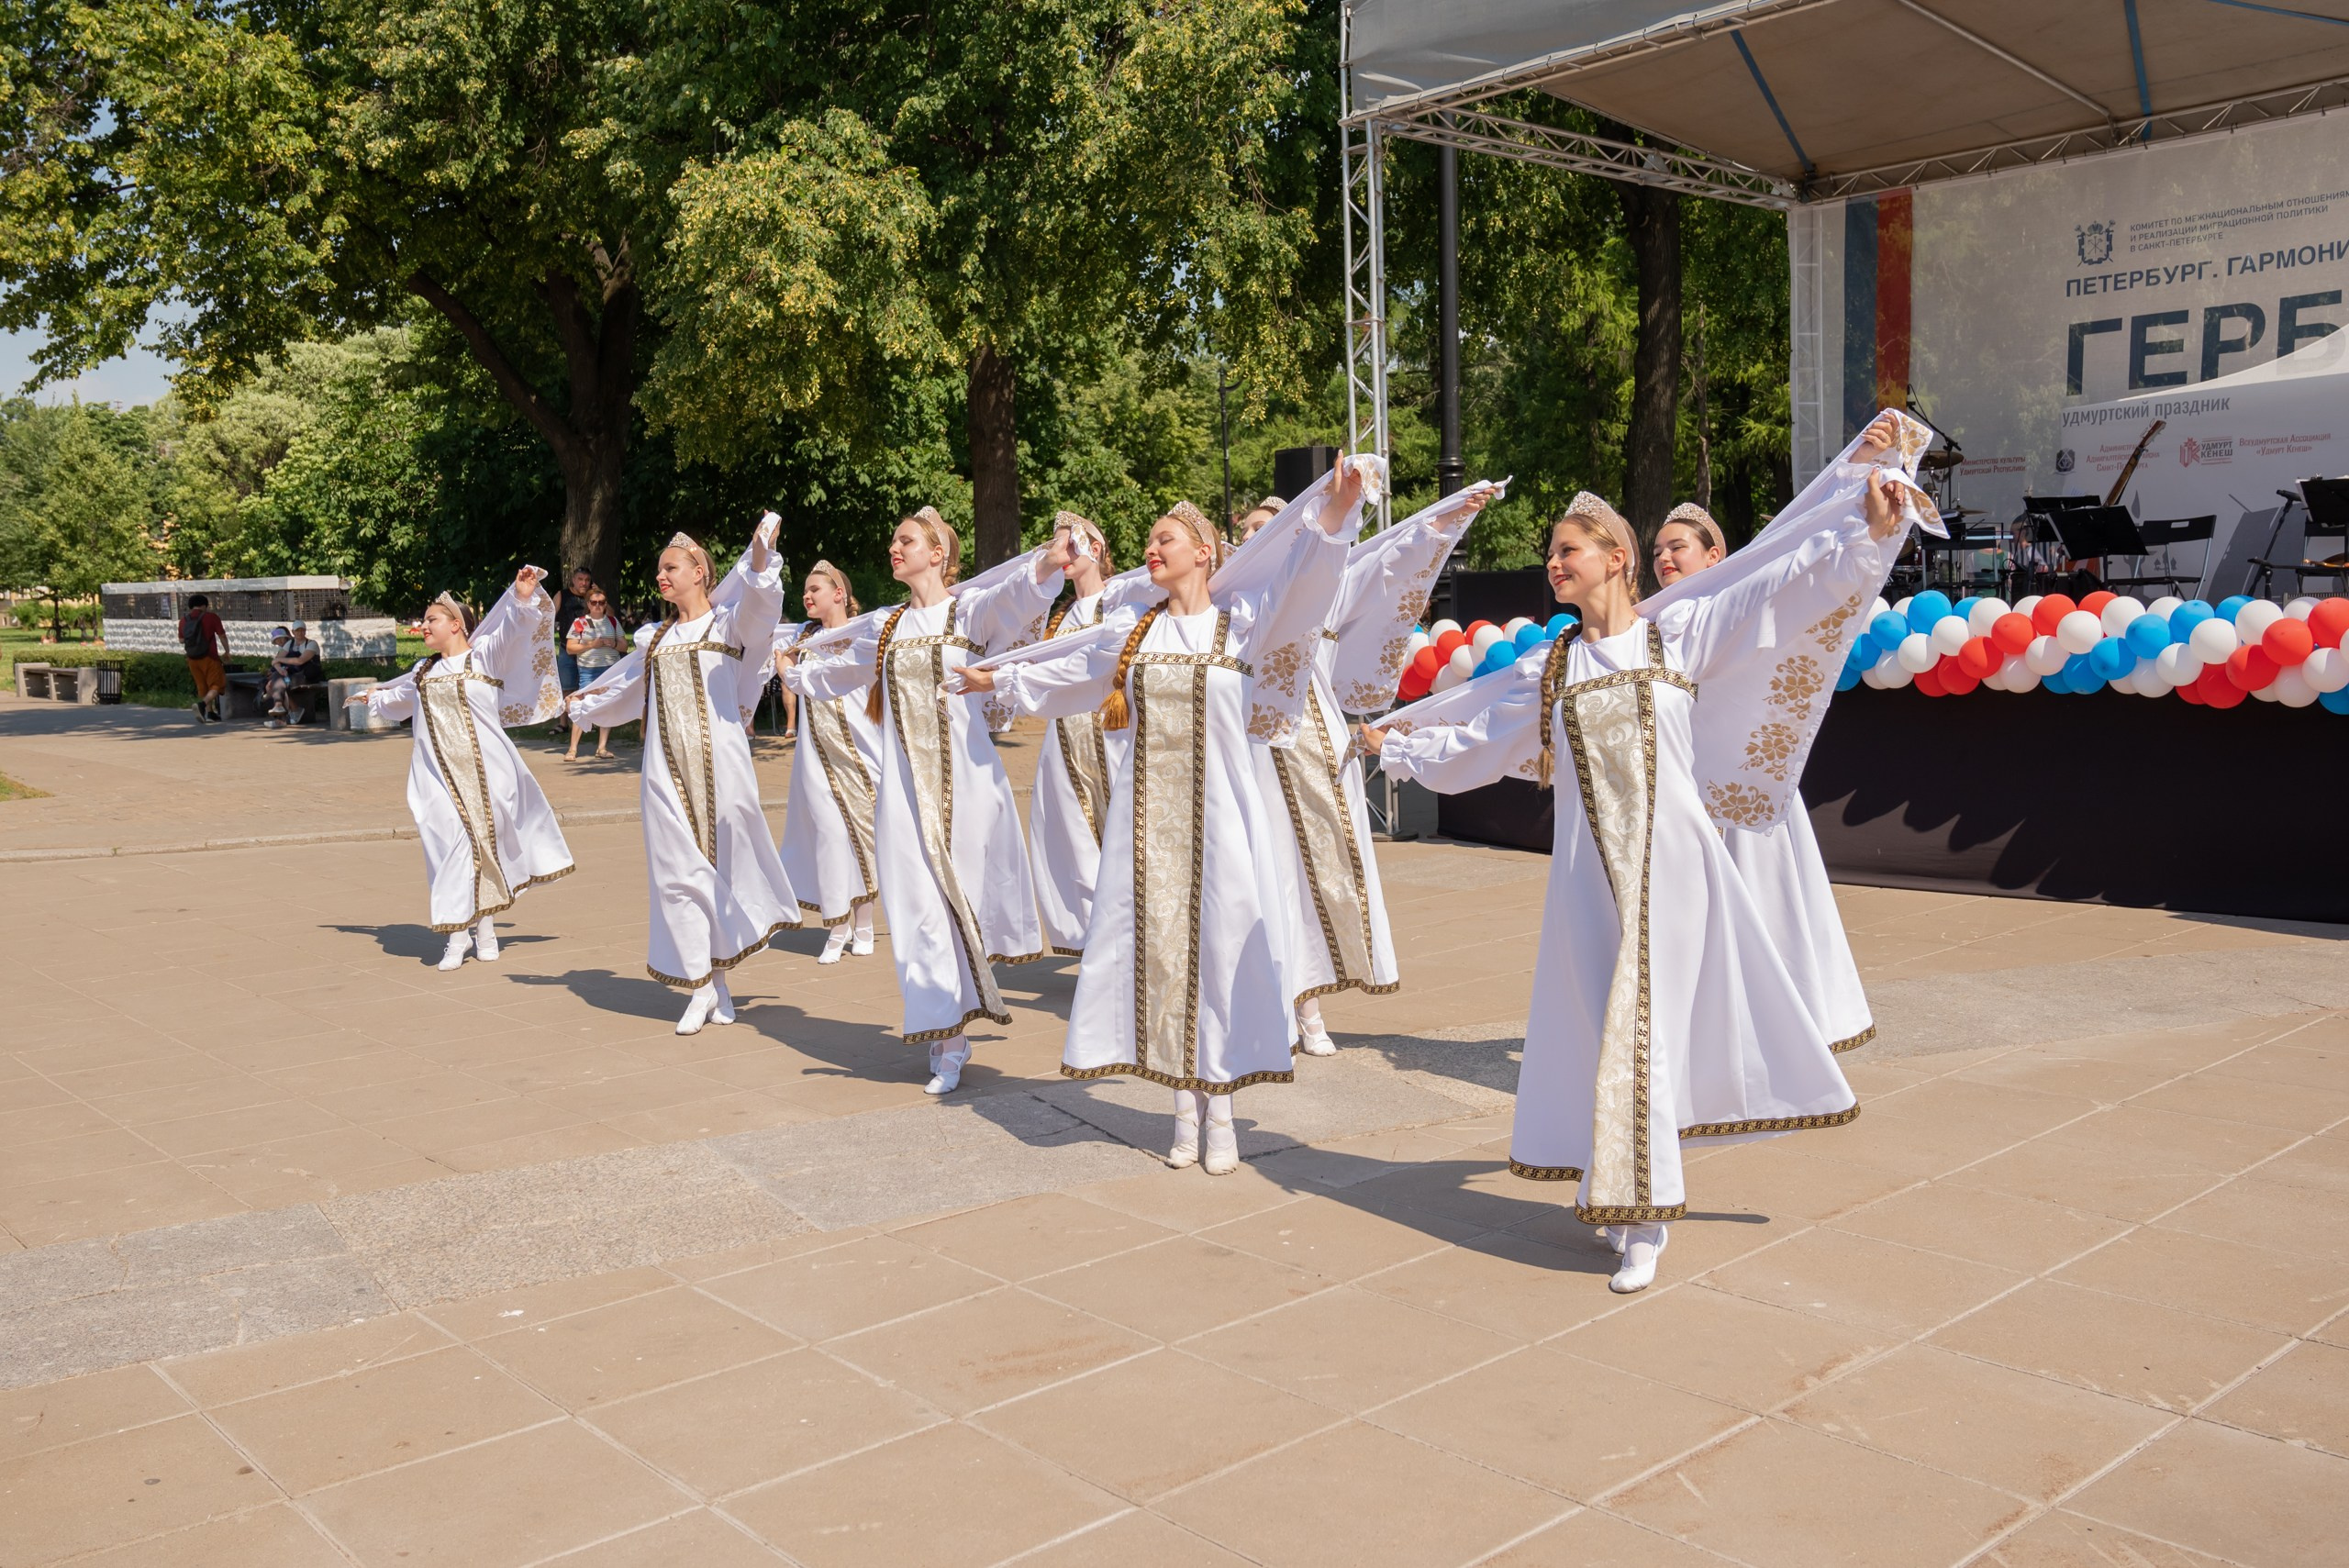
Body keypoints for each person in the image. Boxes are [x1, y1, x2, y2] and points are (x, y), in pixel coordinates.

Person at [1364, 412, 1920, 1294]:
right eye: (1552, 550)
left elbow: (1779, 588)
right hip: (1588, 884)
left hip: (1675, 876)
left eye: (1571, 547)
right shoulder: (1556, 669)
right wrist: (1388, 747)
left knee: (1642, 1024)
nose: (1555, 561)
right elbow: (1480, 738)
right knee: (1604, 1031)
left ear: (1617, 558)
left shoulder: (1681, 635)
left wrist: (1863, 534)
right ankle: (1616, 1184)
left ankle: (1648, 1213)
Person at [958, 460, 1373, 1173]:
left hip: (1225, 827)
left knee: (1221, 958)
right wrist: (999, 677)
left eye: (1167, 538)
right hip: (1146, 831)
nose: (1153, 549)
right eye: (1149, 540)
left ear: (1204, 551)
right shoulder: (1133, 633)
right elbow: (1071, 670)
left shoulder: (1242, 627)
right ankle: (1184, 1103)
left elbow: (1305, 582)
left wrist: (1335, 511)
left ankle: (1223, 1106)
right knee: (1160, 958)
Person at [781, 507, 1065, 1095]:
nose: (894, 548)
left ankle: (954, 1027)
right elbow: (838, 673)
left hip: (966, 784)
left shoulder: (970, 611)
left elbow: (1020, 594)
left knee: (955, 898)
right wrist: (793, 674)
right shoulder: (886, 626)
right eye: (893, 540)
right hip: (904, 793)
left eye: (905, 540)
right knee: (915, 904)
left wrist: (1050, 559)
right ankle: (946, 1027)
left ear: (937, 553)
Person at [1249, 483, 1498, 1056]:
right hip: (1250, 748)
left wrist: (1441, 523)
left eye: (1273, 530)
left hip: (1313, 744)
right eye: (1251, 536)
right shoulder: (1234, 608)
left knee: (1317, 874)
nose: (1260, 542)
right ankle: (1279, 1008)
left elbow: (1389, 562)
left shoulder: (1327, 589)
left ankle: (1307, 1001)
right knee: (1264, 876)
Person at [1654, 502, 1874, 1051]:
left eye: (1677, 547)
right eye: (1657, 550)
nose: (1664, 558)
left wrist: (1858, 519)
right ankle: (1706, 1030)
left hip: (1745, 776)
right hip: (1685, 782)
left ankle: (1780, 1026)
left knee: (1763, 897)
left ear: (1714, 555)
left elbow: (1799, 571)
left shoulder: (1742, 603)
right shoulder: (1652, 621)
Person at [569, 515, 799, 1034]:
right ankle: (698, 984)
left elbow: (764, 604)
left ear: (700, 571)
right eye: (659, 571)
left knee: (724, 870)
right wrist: (589, 703)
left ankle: (716, 978)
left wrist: (761, 554)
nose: (661, 577)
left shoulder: (730, 626)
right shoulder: (656, 638)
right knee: (676, 874)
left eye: (670, 568)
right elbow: (629, 687)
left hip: (723, 768)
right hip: (664, 771)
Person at [347, 569, 573, 970]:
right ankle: (459, 935)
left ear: (456, 624)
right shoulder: (422, 671)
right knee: (449, 850)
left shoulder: (485, 657)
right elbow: (397, 696)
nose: (423, 626)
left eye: (431, 620)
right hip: (435, 778)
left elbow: (515, 628)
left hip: (488, 775)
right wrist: (371, 695)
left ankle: (477, 932)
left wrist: (521, 596)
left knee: (481, 849)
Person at [772, 561, 882, 962]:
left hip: (862, 752)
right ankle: (838, 927)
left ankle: (865, 921)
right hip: (816, 759)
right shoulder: (799, 639)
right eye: (805, 589)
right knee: (830, 838)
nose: (807, 595)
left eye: (815, 588)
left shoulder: (866, 635)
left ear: (839, 594)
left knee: (864, 837)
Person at [1025, 512, 1120, 956]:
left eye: (1069, 546)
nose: (1060, 554)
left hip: (1114, 736)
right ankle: (1094, 947)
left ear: (1094, 550)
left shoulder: (1123, 602)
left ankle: (1126, 941)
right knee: (1075, 845)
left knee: (1121, 842)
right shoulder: (1057, 616)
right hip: (1063, 744)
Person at [564, 586, 626, 761]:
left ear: (606, 604)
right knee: (581, 705)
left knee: (607, 705)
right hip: (588, 670)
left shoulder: (613, 622)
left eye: (601, 602)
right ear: (588, 604)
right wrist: (592, 645)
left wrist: (611, 644)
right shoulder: (581, 622)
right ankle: (572, 749)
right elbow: (570, 648)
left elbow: (624, 646)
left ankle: (602, 747)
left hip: (610, 670)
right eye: (594, 602)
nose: (598, 606)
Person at [180, 595, 228, 723]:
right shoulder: (211, 617)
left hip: (192, 658)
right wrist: (227, 652)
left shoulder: (184, 620)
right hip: (209, 656)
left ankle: (210, 713)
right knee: (217, 684)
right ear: (204, 605)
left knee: (202, 685)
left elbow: (181, 640)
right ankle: (202, 705)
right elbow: (222, 636)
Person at [553, 567, 593, 695]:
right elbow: (549, 615)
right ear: (573, 580)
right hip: (567, 648)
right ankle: (564, 716)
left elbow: (610, 614)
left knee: (586, 688)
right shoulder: (562, 595)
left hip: (588, 649)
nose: (584, 583)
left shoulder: (594, 598)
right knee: (566, 688)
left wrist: (596, 594)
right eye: (580, 579)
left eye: (587, 580)